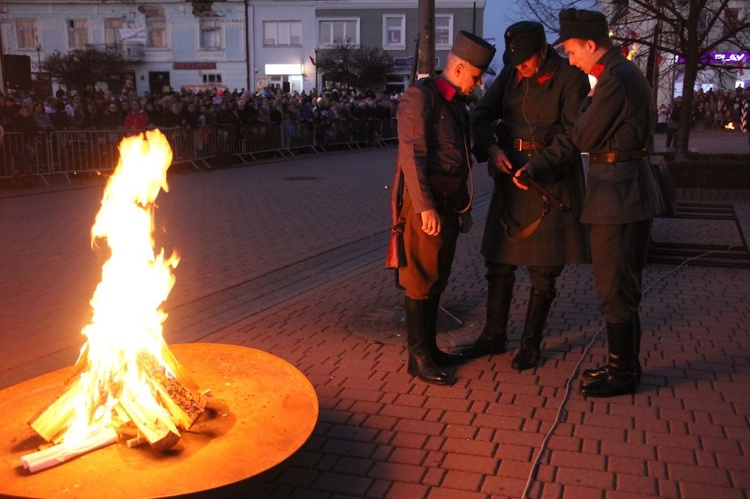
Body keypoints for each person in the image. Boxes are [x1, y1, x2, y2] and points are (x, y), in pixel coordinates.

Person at [465, 21, 589, 371]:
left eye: (526, 61)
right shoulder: (509, 74)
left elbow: (572, 136)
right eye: (515, 60)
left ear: (543, 52)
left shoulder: (569, 77)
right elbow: (482, 115)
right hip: (511, 177)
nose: (520, 66)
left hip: (549, 180)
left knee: (543, 270)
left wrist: (539, 167)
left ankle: (531, 343)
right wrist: (490, 147)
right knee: (499, 263)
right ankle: (493, 335)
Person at [555, 8, 655, 397]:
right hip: (620, 192)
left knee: (615, 287)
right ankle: (622, 364)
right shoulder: (620, 74)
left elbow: (583, 136)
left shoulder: (613, 80)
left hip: (618, 197)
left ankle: (624, 373)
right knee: (619, 286)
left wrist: (589, 97)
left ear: (592, 46)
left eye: (572, 51)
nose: (571, 59)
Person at [388, 31, 496, 385]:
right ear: (460, 68)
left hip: (448, 202)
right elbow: (412, 157)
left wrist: (463, 207)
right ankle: (418, 357)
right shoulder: (421, 99)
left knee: (437, 277)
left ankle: (429, 349)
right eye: (476, 76)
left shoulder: (453, 103)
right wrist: (424, 208)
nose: (478, 83)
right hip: (428, 204)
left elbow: (459, 159)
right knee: (420, 278)